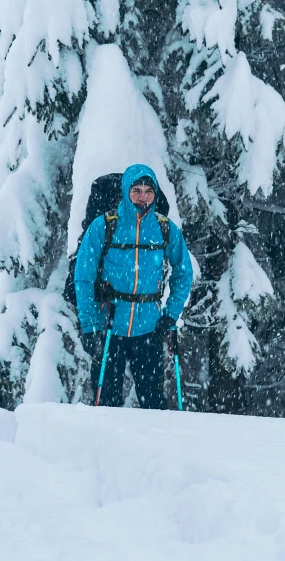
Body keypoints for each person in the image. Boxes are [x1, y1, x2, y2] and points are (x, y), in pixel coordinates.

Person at [74, 163, 193, 409]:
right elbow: (83, 276)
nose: (143, 197)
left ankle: (154, 448)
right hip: (108, 327)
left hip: (149, 329)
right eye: (136, 190)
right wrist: (89, 325)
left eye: (149, 191)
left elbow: (183, 273)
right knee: (106, 404)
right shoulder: (104, 226)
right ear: (126, 191)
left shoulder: (164, 228)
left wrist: (170, 315)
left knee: (154, 404)